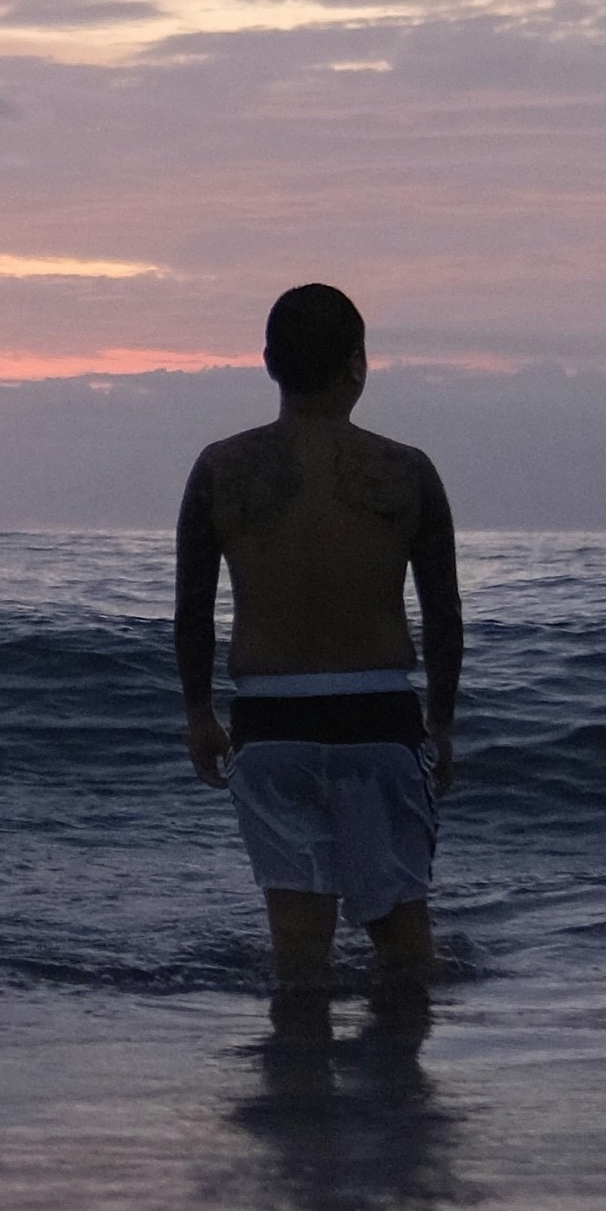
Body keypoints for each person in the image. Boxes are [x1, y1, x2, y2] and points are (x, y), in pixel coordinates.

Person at [175, 281, 462, 999]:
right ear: (358, 364)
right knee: (404, 944)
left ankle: (298, 1065)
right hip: (379, 718)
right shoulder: (407, 471)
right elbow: (443, 612)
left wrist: (199, 712)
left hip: (270, 721)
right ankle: (402, 1065)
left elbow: (193, 608)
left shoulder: (220, 469)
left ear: (269, 362)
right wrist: (442, 722)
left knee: (298, 951)